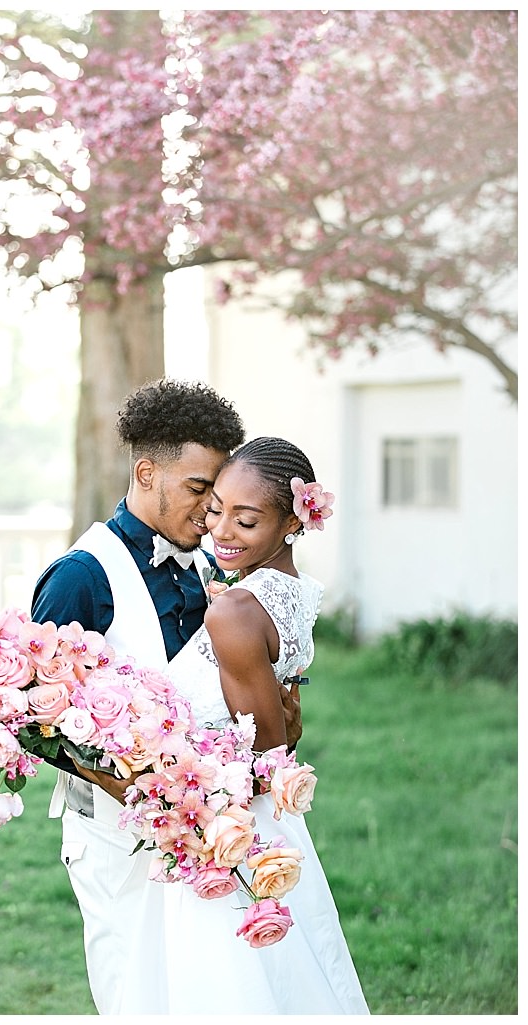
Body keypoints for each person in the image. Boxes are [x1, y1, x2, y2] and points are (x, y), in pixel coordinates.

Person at [31, 380, 304, 1012]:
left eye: (221, 493)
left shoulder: (214, 568)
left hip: (208, 838)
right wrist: (125, 784)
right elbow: (24, 715)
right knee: (135, 995)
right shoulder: (82, 576)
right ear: (147, 471)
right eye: (199, 489)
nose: (213, 512)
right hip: (115, 841)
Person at [137, 436, 370, 1014]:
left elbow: (264, 755)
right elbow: (282, 730)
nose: (221, 531)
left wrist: (172, 779)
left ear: (292, 520)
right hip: (262, 823)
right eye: (215, 509)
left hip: (231, 831)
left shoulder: (236, 611)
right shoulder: (289, 594)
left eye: (245, 520)